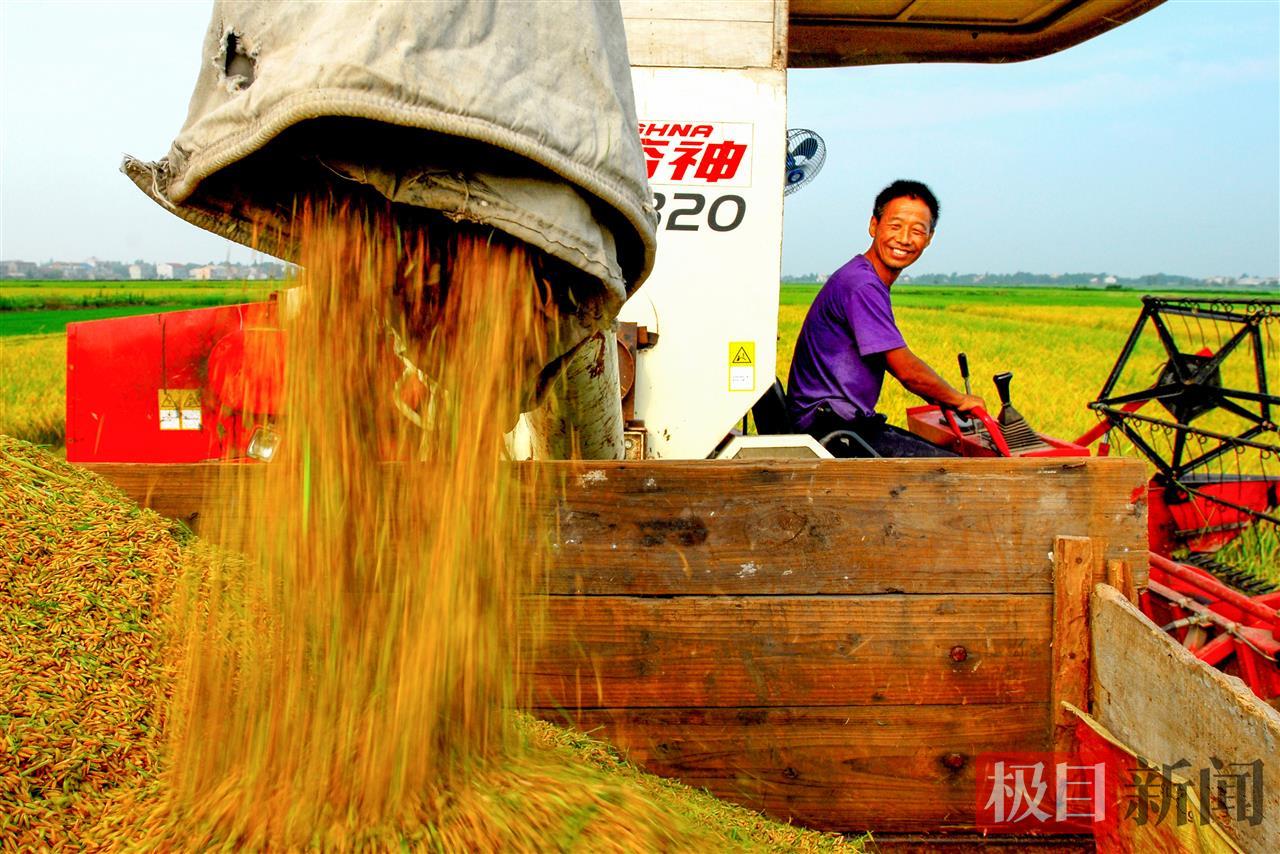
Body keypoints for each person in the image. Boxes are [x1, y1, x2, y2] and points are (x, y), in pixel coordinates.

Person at [786, 180, 985, 457]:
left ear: (929, 238)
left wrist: (945, 399)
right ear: (873, 226)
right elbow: (907, 371)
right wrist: (960, 399)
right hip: (830, 429)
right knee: (955, 473)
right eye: (895, 226)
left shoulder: (864, 277)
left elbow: (894, 364)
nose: (904, 238)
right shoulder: (862, 285)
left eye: (917, 230)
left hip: (840, 423)